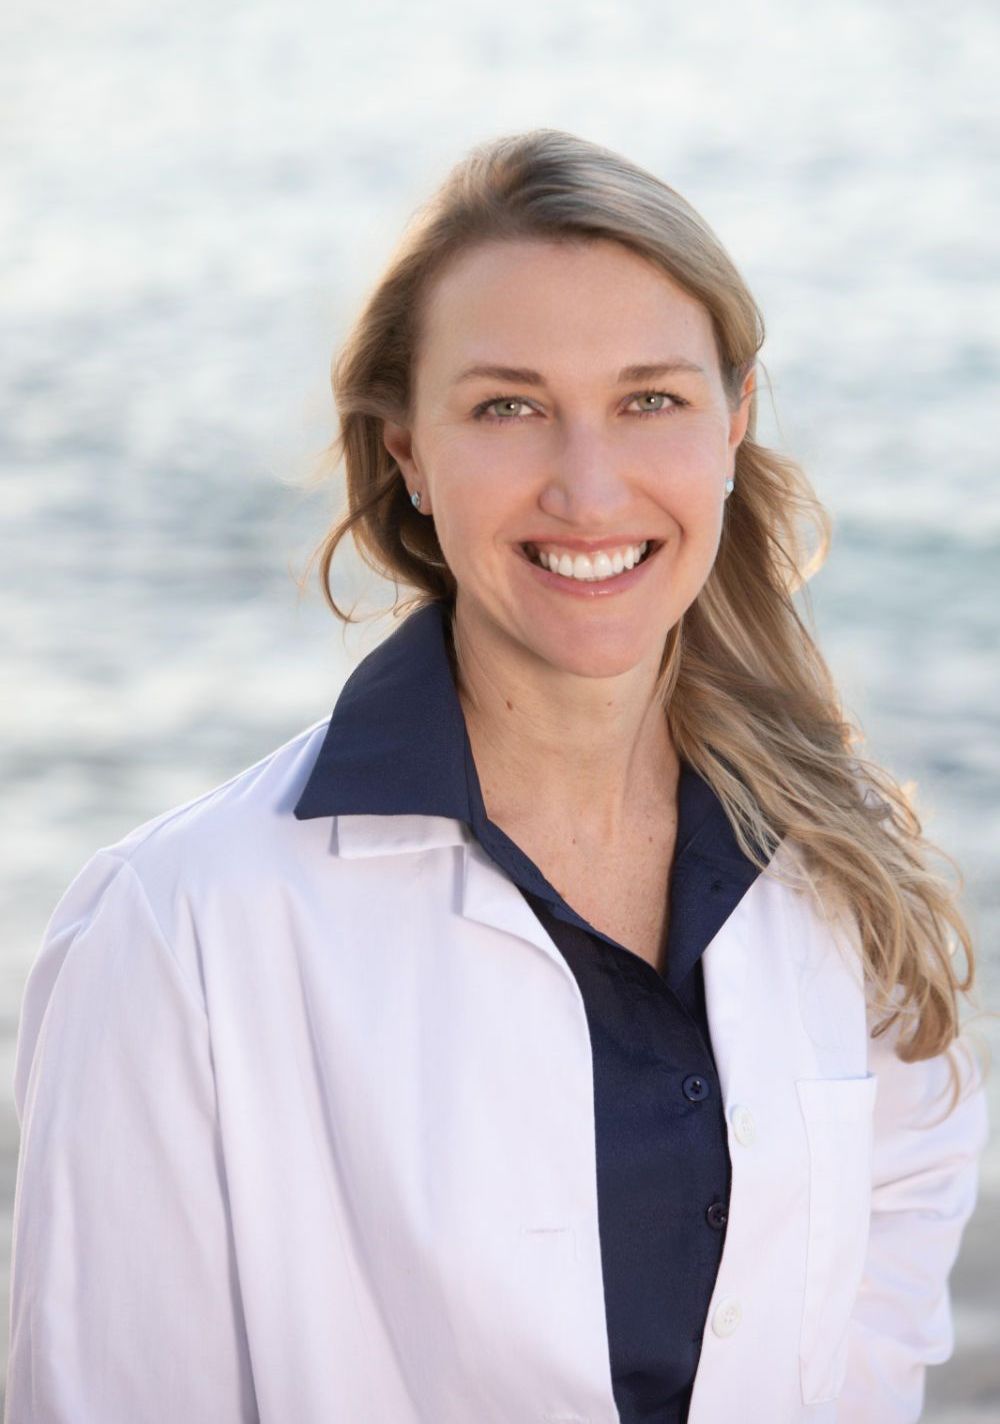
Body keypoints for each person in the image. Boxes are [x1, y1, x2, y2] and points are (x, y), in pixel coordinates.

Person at [4, 128, 989, 1424]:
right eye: (508, 407)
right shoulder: (178, 927)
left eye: (650, 400)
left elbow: (883, 1284)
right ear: (406, 451)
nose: (588, 488)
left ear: (735, 422)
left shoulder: (839, 861)